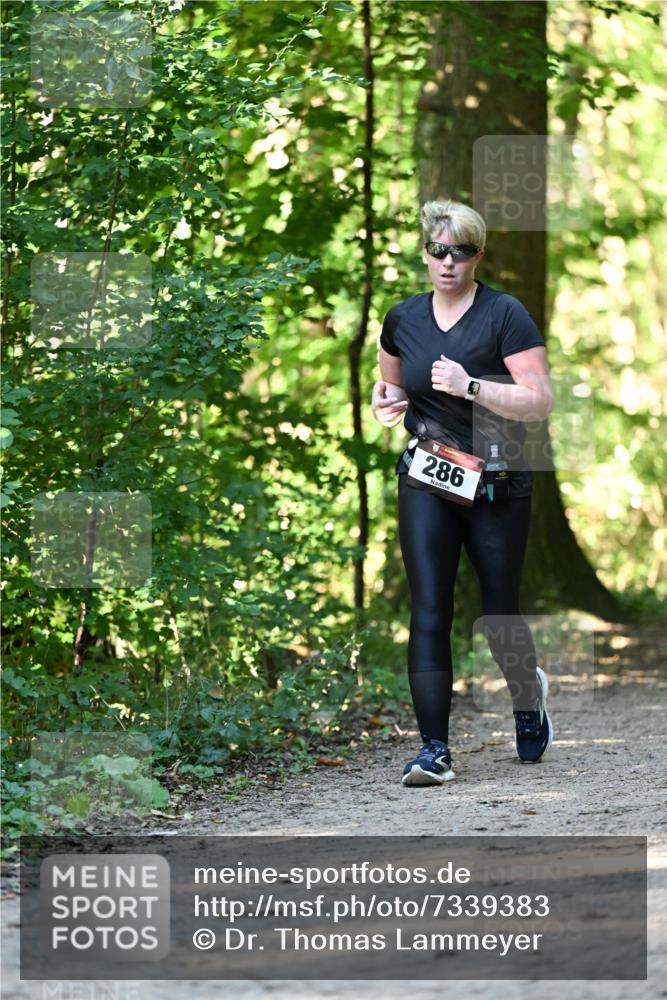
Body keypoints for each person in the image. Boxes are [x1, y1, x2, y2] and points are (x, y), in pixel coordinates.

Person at [372, 200, 554, 787]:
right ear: (425, 253)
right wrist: (384, 402)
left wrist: (472, 385)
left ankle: (527, 699)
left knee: (498, 611)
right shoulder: (402, 318)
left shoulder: (505, 314)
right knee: (429, 609)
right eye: (438, 250)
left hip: (497, 477)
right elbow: (391, 389)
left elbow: (539, 401)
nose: (448, 262)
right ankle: (434, 751)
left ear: (479, 256)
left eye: (461, 251)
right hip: (429, 475)